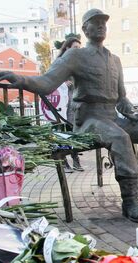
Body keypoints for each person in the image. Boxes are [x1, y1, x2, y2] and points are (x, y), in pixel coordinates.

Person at [0, 8, 138, 223]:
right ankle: (130, 200)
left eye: (103, 22)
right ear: (85, 29)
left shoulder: (115, 60)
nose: (100, 25)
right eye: (95, 22)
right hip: (89, 120)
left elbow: (122, 99)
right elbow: (47, 83)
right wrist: (20, 79)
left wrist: (133, 115)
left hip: (112, 118)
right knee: (119, 137)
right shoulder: (75, 56)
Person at [57, 37, 83, 173]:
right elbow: (50, 81)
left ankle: (76, 161)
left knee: (74, 134)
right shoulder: (60, 63)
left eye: (80, 48)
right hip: (61, 107)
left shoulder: (79, 64)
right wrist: (62, 83)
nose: (78, 50)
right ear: (67, 48)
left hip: (73, 106)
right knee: (63, 134)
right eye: (75, 48)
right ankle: (63, 162)